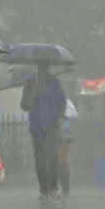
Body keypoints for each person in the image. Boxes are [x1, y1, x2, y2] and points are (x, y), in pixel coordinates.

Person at [21, 63, 67, 199]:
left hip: (52, 125)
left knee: (53, 156)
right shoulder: (30, 83)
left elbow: (62, 102)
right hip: (36, 126)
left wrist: (59, 115)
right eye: (40, 67)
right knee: (40, 158)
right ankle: (44, 188)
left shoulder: (54, 83)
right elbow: (24, 105)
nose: (42, 70)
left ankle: (53, 187)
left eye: (44, 67)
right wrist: (32, 96)